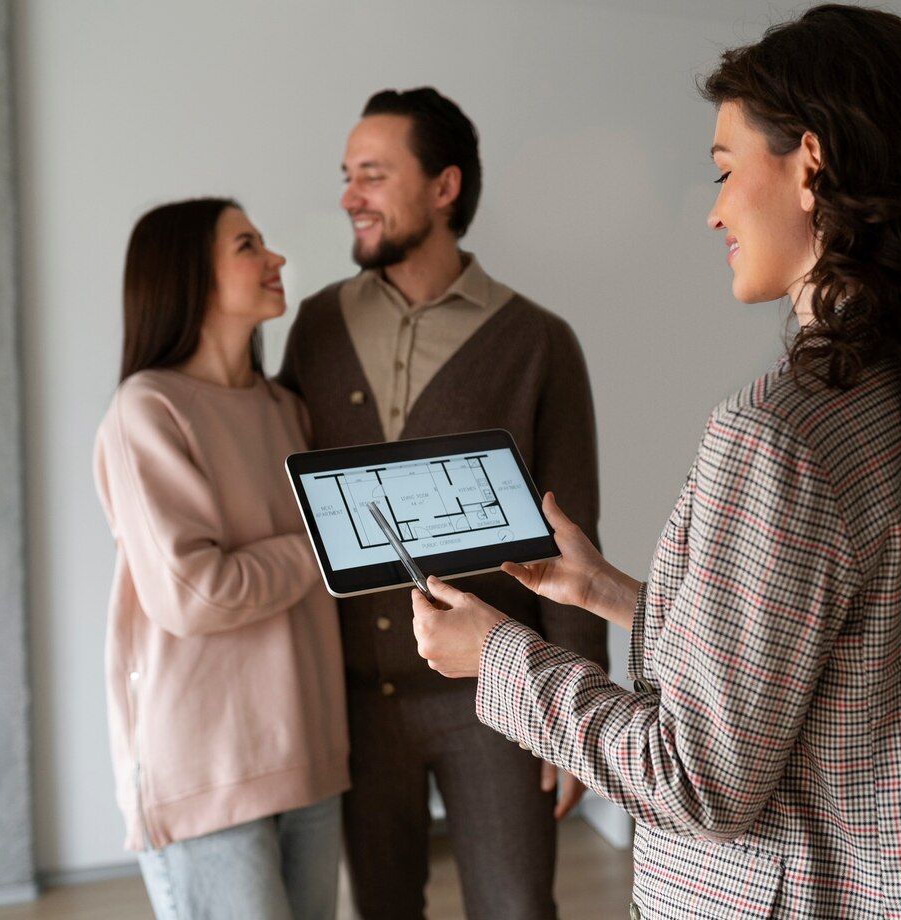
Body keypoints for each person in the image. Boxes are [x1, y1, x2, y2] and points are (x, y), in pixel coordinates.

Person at [411, 6, 901, 918]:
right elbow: (830, 654)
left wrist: (497, 657)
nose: (712, 211)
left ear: (811, 162)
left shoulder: (780, 431)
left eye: (724, 169)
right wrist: (614, 594)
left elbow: (697, 780)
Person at [277, 87, 606, 919]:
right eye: (348, 175)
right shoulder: (315, 327)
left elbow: (577, 539)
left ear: (444, 187)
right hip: (354, 701)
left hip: (493, 700)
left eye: (374, 175)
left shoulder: (537, 341)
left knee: (515, 907)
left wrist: (576, 715)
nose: (350, 196)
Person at [93, 198, 349, 920]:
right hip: (206, 777)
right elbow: (194, 594)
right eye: (248, 246)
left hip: (310, 761)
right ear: (191, 280)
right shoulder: (147, 410)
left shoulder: (285, 411)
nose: (276, 260)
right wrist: (327, 549)